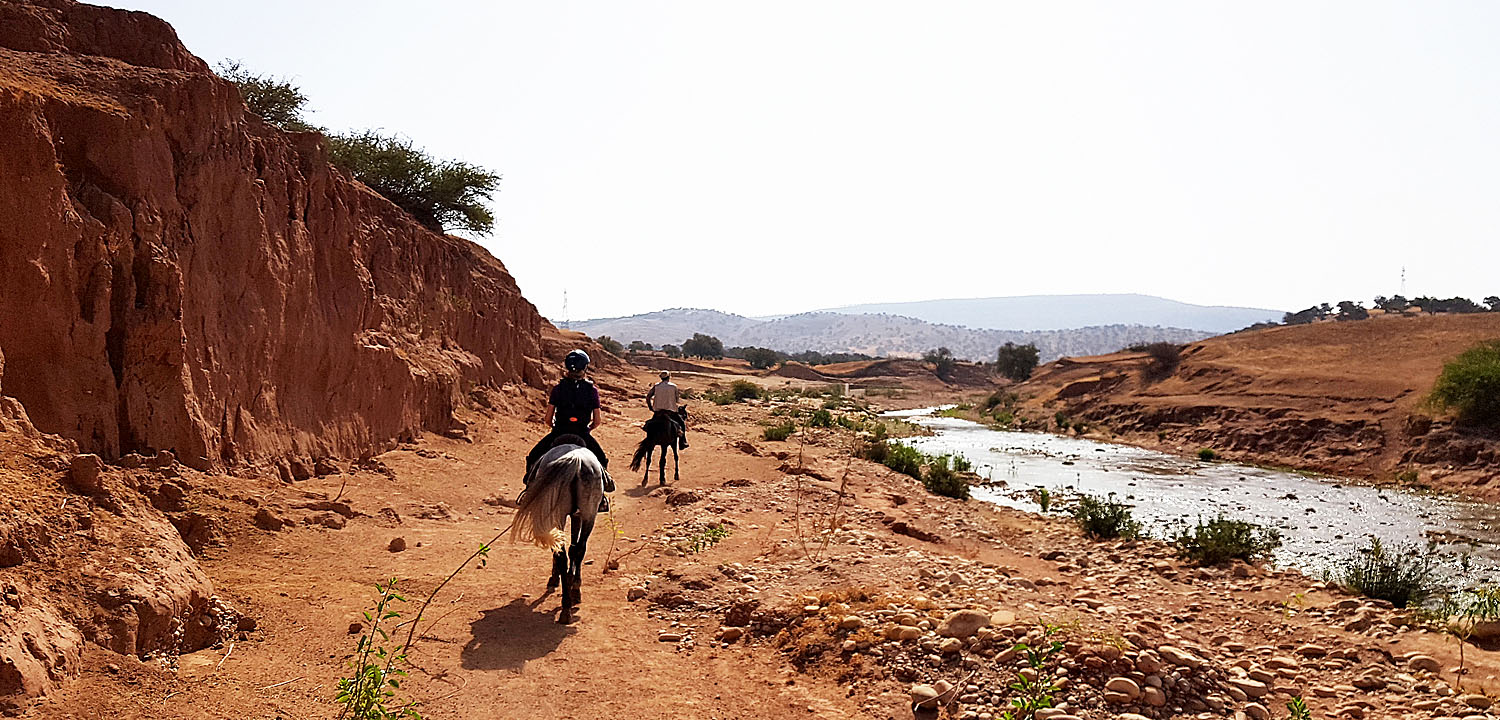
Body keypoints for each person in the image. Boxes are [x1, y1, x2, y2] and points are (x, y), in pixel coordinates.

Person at [525, 350, 614, 502]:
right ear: (584, 368)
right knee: (601, 459)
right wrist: (588, 429)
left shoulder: (558, 389)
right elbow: (597, 421)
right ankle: (601, 497)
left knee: (533, 457)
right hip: (581, 433)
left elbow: (548, 418)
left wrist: (554, 426)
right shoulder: (592, 390)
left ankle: (528, 491)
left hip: (559, 432)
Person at [645, 370, 687, 448]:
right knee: (682, 424)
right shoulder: (673, 386)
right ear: (669, 377)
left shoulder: (656, 386)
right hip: (670, 412)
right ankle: (682, 442)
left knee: (648, 425)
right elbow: (677, 400)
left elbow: (648, 397)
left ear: (661, 378)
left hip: (658, 412)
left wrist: (650, 407)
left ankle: (649, 439)